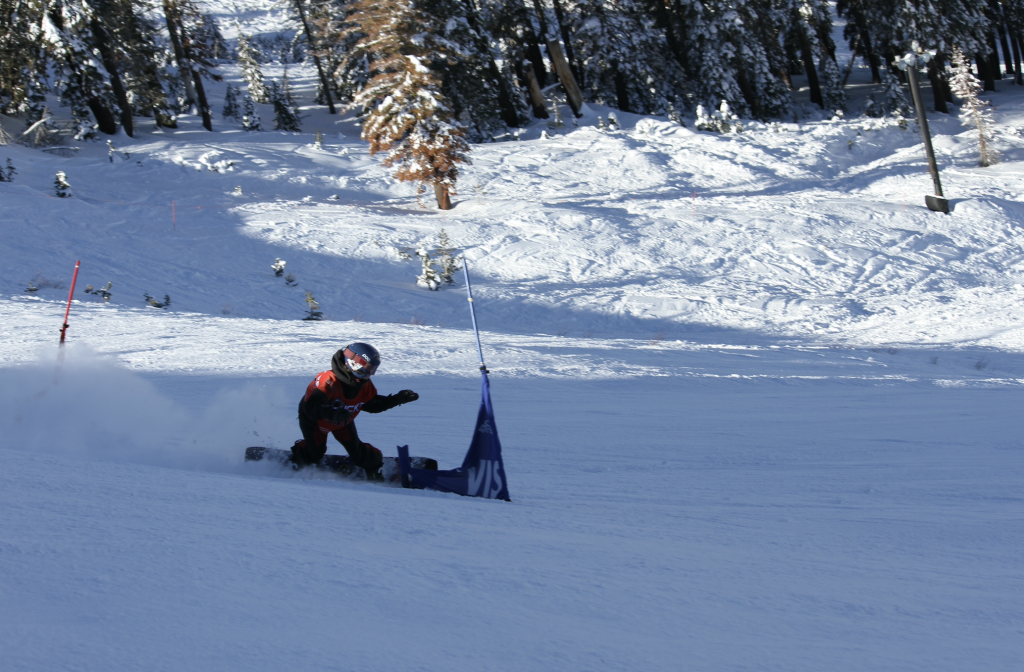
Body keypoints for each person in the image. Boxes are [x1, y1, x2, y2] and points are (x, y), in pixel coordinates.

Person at [292, 342, 418, 475]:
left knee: (358, 452)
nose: (368, 375)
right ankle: (296, 458)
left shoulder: (363, 385)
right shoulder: (328, 381)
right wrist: (332, 413)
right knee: (314, 453)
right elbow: (311, 407)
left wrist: (396, 399)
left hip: (342, 422)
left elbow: (372, 405)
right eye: (365, 369)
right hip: (315, 422)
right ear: (352, 364)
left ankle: (375, 470)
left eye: (371, 370)